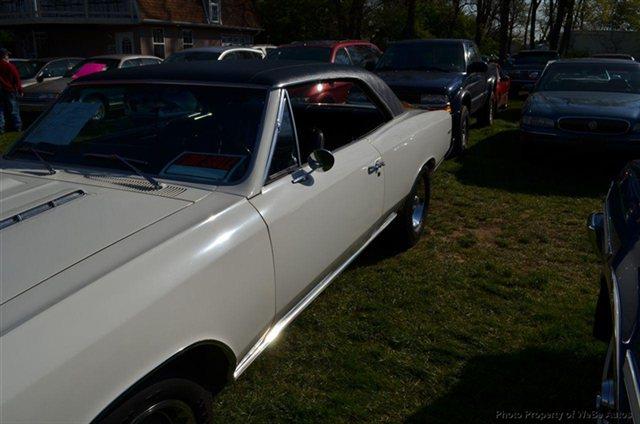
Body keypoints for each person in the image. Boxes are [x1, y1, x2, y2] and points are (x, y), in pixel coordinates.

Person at [0, 47, 23, 134]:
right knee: (14, 109)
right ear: (4, 56)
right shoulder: (9, 66)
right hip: (9, 90)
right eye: (7, 55)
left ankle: (1, 128)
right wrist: (20, 90)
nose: (8, 57)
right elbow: (17, 78)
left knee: (0, 110)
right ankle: (17, 127)